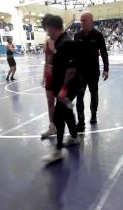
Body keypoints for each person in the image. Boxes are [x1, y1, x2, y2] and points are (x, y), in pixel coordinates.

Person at [42, 15, 80, 163]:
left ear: (52, 27)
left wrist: (64, 89)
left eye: (47, 29)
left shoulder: (65, 43)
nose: (47, 33)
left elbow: (72, 68)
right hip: (64, 87)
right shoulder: (60, 42)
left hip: (67, 88)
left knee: (58, 116)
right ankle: (75, 137)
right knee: (67, 113)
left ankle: (57, 150)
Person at [74, 11, 109, 131]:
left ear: (91, 20)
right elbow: (74, 55)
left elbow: (104, 53)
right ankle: (81, 121)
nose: (82, 22)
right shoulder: (77, 36)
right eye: (81, 20)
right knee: (79, 96)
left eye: (84, 20)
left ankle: (93, 114)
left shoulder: (98, 35)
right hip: (80, 73)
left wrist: (106, 69)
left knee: (94, 94)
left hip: (93, 71)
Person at [41, 14, 57, 138]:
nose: (47, 31)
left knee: (63, 103)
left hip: (60, 75)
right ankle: (52, 126)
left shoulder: (63, 40)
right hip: (50, 75)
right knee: (50, 101)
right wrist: (44, 76)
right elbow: (46, 61)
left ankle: (69, 127)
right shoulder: (46, 43)